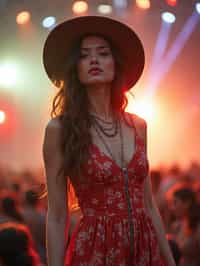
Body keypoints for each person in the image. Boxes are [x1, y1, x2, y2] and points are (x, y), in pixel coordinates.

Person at [42, 16, 176, 266]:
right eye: (84, 55)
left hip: (145, 250)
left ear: (115, 64)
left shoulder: (138, 125)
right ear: (75, 68)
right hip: (95, 250)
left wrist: (169, 260)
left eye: (103, 53)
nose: (94, 60)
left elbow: (148, 204)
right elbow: (58, 215)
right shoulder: (59, 129)